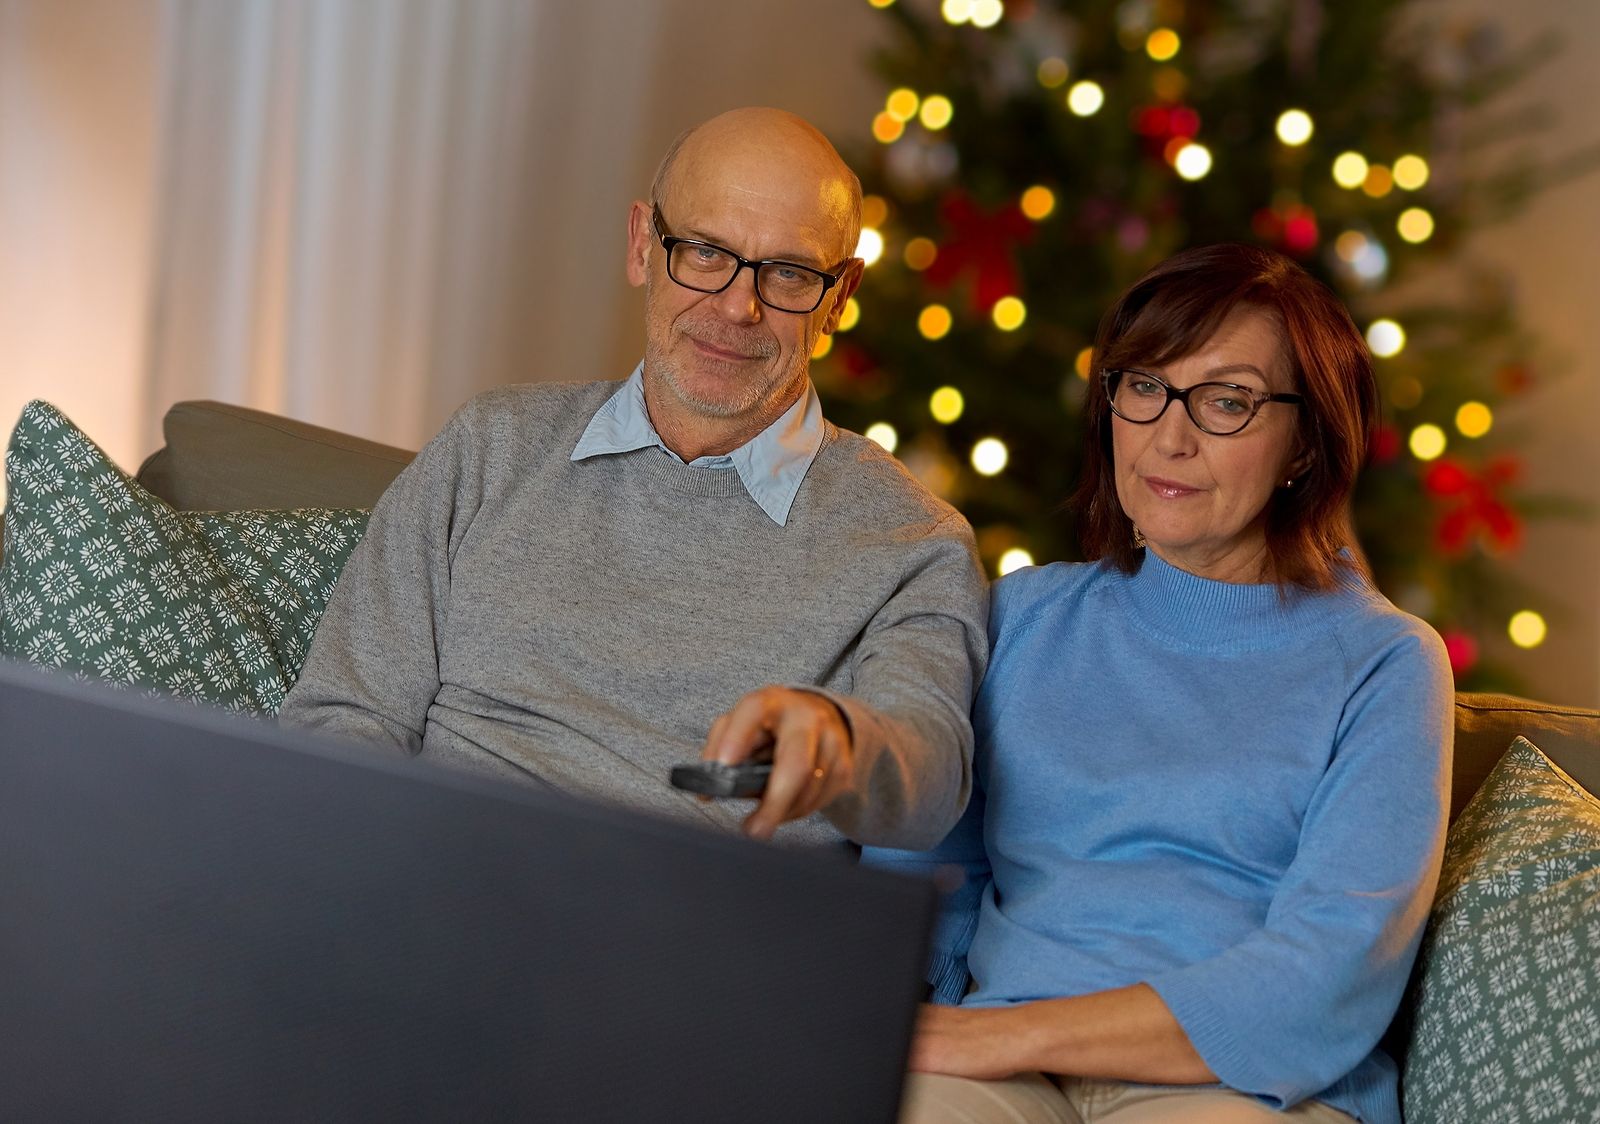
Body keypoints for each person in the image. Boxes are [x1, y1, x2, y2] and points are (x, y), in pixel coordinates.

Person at [279, 107, 988, 849]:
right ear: (642, 245)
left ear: (840, 296)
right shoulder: (490, 447)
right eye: (707, 252)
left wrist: (842, 744)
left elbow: (930, 783)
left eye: (788, 272)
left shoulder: (915, 543)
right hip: (431, 901)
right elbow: (346, 720)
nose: (738, 307)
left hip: (685, 940)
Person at [866, 243, 1453, 1124]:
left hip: (1238, 1085)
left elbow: (1328, 973)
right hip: (991, 1069)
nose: (1168, 437)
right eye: (1144, 386)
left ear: (1305, 441)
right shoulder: (1021, 616)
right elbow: (921, 864)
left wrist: (1012, 1036)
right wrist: (952, 1021)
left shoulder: (1387, 662)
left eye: (1227, 401)